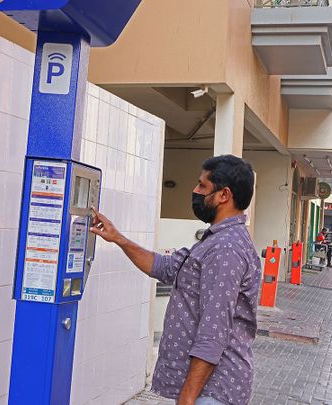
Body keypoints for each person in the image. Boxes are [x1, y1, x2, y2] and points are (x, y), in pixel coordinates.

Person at [90, 155, 260, 405]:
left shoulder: (226, 249)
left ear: (224, 195)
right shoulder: (213, 240)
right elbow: (165, 267)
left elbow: (214, 330)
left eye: (202, 186)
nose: (195, 191)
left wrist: (188, 397)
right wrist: (119, 239)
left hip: (212, 392)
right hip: (204, 391)